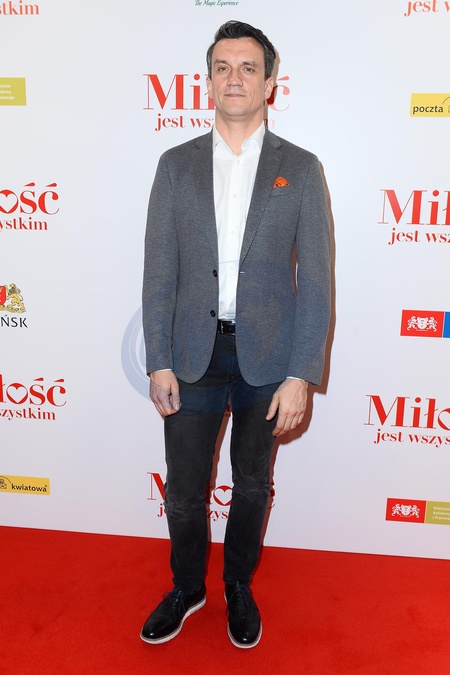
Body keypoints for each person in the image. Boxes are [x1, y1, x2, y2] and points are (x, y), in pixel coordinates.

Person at [141, 20, 330, 648]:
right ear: (208, 80)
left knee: (251, 484)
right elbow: (159, 271)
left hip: (270, 358)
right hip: (190, 354)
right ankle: (187, 586)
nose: (235, 78)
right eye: (223, 67)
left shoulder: (300, 168)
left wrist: (302, 373)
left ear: (270, 82)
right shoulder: (175, 166)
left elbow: (317, 281)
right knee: (183, 488)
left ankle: (238, 586)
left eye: (249, 67)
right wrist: (158, 359)